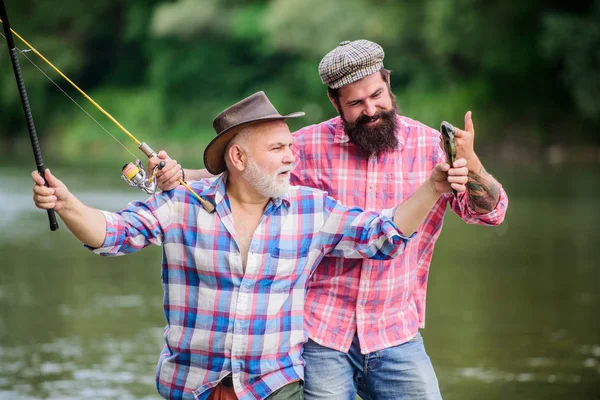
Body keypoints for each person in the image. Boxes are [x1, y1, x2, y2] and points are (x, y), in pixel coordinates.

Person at [32, 91, 470, 400]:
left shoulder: (310, 210)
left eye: (291, 147)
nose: (291, 159)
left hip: (275, 388)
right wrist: (67, 204)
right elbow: (111, 234)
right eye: (278, 148)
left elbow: (384, 234)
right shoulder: (180, 204)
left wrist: (433, 187)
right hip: (192, 386)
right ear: (238, 159)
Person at [153, 40, 509, 400]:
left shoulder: (431, 146)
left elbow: (492, 213)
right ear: (335, 102)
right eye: (355, 103)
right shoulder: (304, 147)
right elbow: (239, 175)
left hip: (395, 331)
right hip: (319, 333)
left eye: (377, 95)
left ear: (388, 82)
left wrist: (473, 165)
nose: (371, 110)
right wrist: (180, 175)